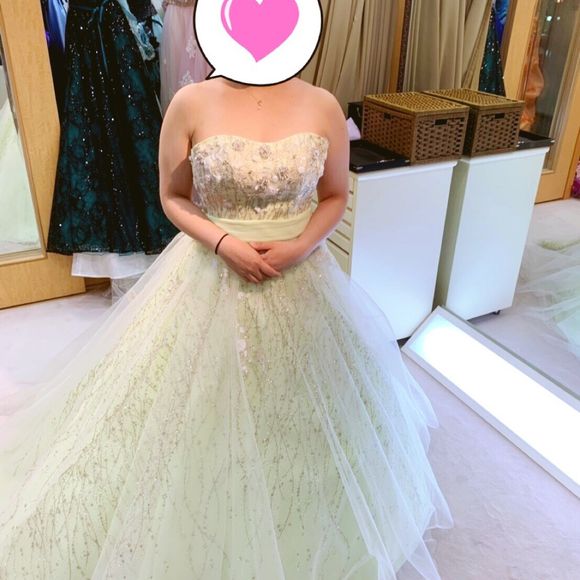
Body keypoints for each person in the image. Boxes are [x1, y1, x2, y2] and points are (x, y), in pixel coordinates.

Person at [0, 77, 452, 579]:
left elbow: (334, 196)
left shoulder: (321, 104)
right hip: (209, 268)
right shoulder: (191, 102)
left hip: (301, 273)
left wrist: (299, 246)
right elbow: (173, 196)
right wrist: (222, 243)